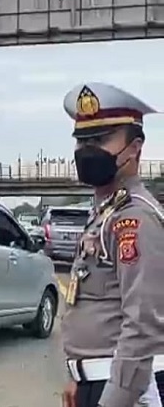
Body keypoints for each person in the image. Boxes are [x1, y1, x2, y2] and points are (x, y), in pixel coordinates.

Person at [59, 82, 164, 407]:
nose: (88, 150)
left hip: (128, 388)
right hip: (97, 381)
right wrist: (78, 376)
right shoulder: (107, 213)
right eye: (82, 140)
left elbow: (143, 326)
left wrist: (114, 399)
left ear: (134, 148)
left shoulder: (135, 218)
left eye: (101, 140)